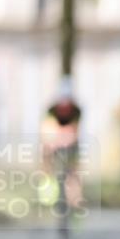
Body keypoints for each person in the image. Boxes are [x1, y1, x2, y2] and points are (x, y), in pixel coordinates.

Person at [39, 77, 83, 209]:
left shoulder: (76, 110)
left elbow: (75, 129)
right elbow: (47, 127)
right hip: (55, 142)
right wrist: (51, 142)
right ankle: (47, 186)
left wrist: (68, 139)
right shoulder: (51, 109)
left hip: (71, 143)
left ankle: (76, 199)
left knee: (74, 172)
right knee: (46, 158)